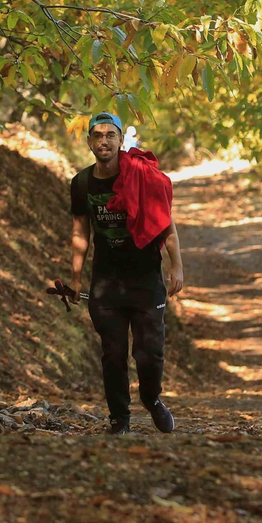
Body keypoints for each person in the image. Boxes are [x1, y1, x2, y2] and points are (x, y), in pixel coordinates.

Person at [67, 112, 184, 434]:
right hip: (106, 283)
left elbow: (166, 225)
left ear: (120, 141)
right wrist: (76, 278)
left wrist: (176, 265)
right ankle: (119, 417)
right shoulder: (81, 183)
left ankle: (152, 399)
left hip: (146, 280)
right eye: (97, 135)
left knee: (149, 353)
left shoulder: (141, 177)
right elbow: (81, 232)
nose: (103, 141)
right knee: (113, 355)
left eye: (110, 135)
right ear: (89, 141)